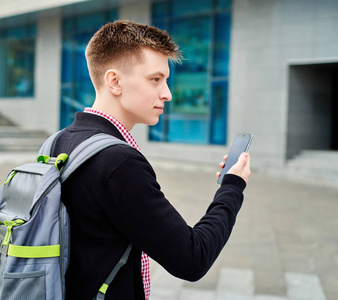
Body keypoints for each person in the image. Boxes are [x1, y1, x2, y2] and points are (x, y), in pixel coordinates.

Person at [50, 20, 251, 300]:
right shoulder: (118, 163)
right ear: (115, 81)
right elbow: (192, 257)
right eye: (155, 79)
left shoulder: (60, 141)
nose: (167, 93)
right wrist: (233, 187)